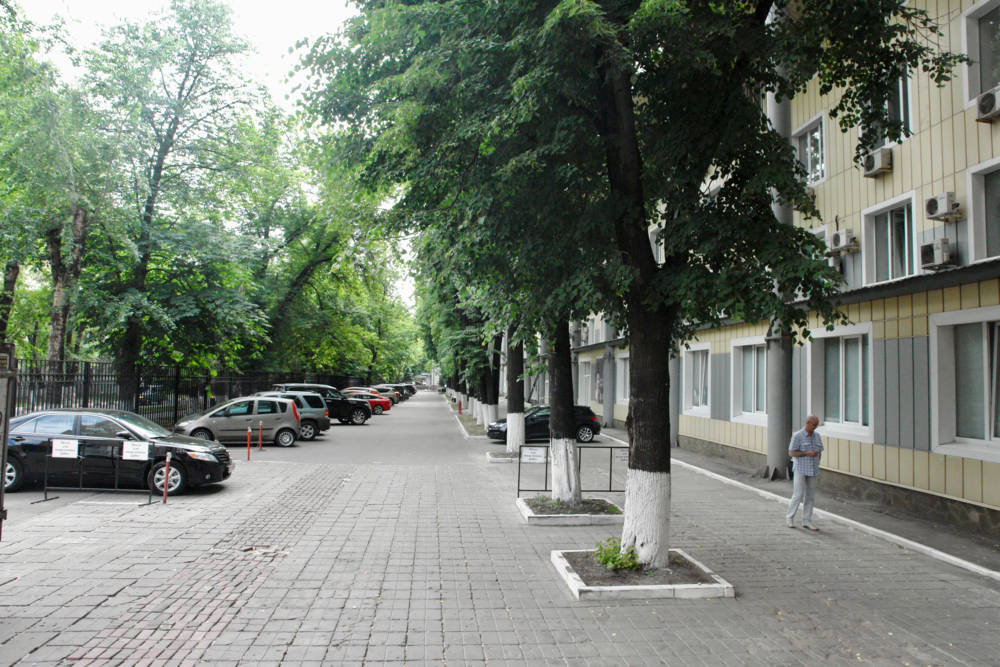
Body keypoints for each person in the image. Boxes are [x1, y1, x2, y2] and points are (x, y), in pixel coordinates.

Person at [786, 414, 823, 531]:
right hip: (800, 468)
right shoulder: (797, 436)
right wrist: (807, 453)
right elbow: (791, 453)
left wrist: (817, 461)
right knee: (798, 494)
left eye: (816, 425)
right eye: (814, 425)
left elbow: (820, 451)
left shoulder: (817, 436)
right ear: (807, 423)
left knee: (810, 496)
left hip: (813, 469)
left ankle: (807, 521)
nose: (815, 427)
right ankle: (789, 517)